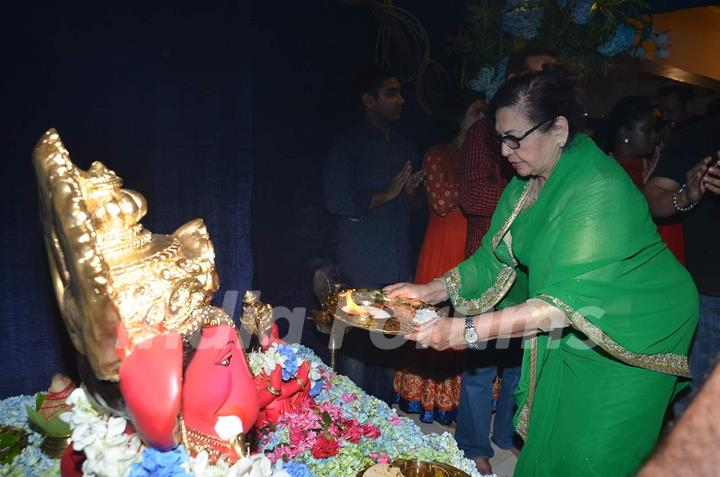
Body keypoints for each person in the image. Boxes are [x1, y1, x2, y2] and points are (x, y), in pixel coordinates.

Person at [385, 68, 698, 477]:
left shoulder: (597, 187)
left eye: (516, 138)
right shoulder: (525, 183)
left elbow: (559, 309)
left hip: (638, 327)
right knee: (554, 430)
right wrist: (429, 290)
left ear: (560, 129)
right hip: (577, 313)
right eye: (500, 139)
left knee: (594, 451)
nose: (504, 151)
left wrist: (462, 332)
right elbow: (493, 258)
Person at [454, 46, 557, 475]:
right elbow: (472, 195)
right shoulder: (485, 132)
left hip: (530, 271)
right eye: (538, 72)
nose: (545, 81)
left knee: (520, 359)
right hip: (489, 263)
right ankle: (473, 443)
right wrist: (526, 200)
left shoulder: (556, 149)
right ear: (514, 78)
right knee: (481, 363)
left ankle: (506, 436)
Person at [324, 66, 424, 403]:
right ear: (369, 100)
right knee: (357, 358)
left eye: (401, 93)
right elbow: (335, 200)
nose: (401, 100)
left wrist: (409, 194)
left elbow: (412, 208)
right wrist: (388, 194)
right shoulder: (348, 145)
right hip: (361, 267)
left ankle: (388, 430)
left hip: (397, 268)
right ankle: (356, 432)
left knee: (391, 355)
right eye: (391, 93)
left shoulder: (406, 147)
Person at [393, 90, 485, 424]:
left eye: (485, 114)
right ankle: (427, 401)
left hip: (474, 249)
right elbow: (444, 201)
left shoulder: (491, 158)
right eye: (475, 113)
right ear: (459, 119)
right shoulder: (438, 154)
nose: (482, 120)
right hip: (443, 247)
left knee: (467, 324)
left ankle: (458, 407)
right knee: (432, 320)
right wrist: (481, 177)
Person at [643, 114, 720, 417]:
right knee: (697, 410)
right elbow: (652, 198)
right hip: (707, 298)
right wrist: (686, 195)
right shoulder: (698, 135)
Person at [602, 96, 684, 263]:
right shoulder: (608, 170)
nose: (654, 135)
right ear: (625, 133)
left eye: (654, 129)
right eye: (647, 129)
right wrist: (646, 193)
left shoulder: (655, 165)